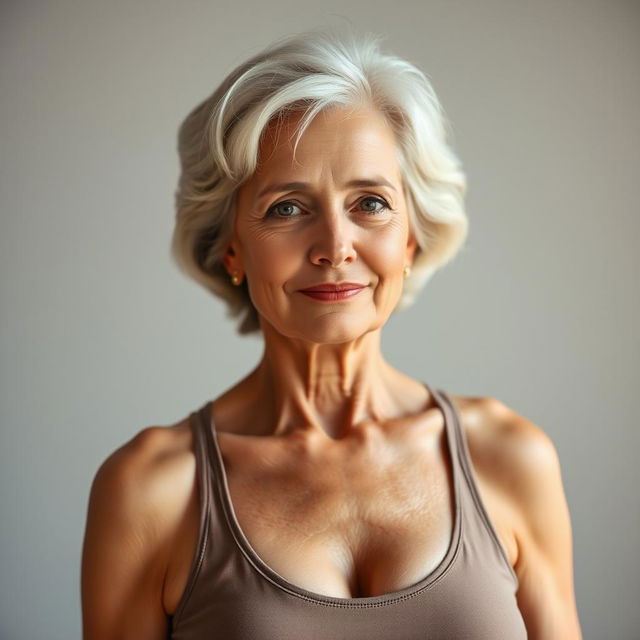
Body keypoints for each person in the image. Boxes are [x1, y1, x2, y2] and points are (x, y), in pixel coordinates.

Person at [81, 27, 583, 639]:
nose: (335, 247)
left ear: (410, 238)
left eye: (369, 203)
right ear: (231, 248)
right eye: (287, 208)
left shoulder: (509, 458)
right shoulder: (151, 490)